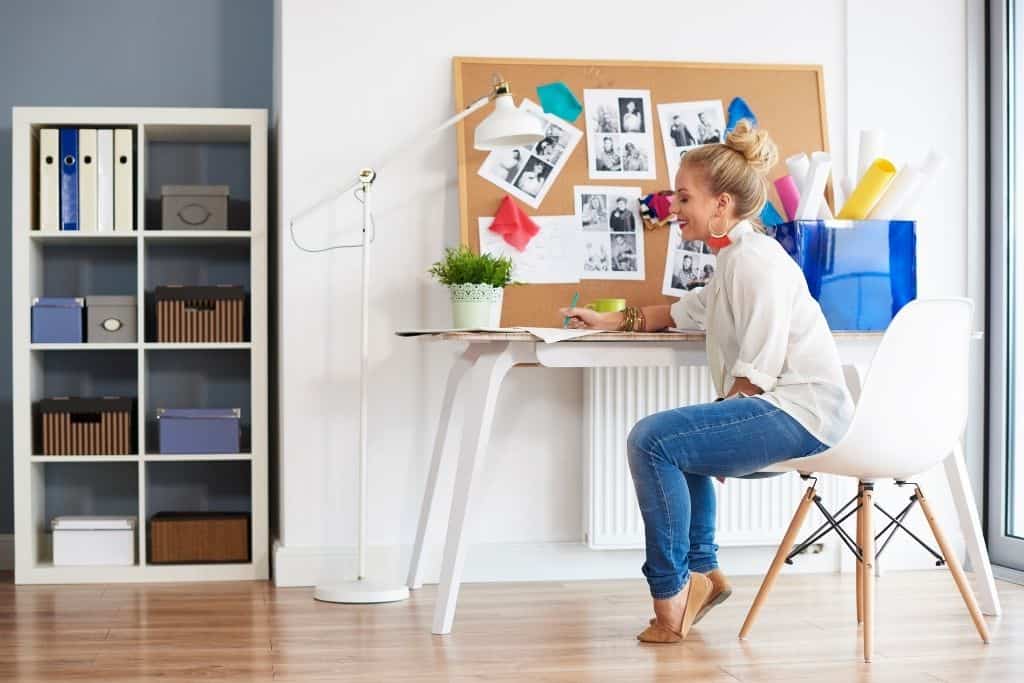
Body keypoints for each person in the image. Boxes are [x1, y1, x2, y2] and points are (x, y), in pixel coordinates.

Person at [559, 120, 855, 644]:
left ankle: (671, 597)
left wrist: (720, 437)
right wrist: (610, 319)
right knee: (676, 440)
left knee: (653, 440)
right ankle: (703, 574)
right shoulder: (732, 263)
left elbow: (757, 373)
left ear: (721, 204)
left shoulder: (755, 263)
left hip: (802, 412)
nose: (673, 207)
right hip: (790, 410)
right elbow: (675, 314)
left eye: (683, 196)